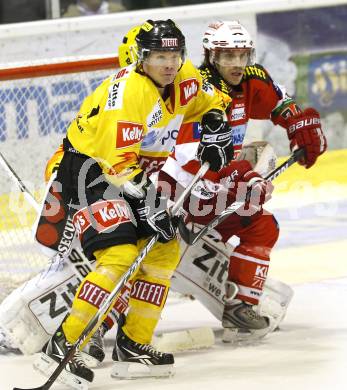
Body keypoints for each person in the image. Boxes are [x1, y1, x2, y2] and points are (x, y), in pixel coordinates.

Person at [33, 19, 233, 387]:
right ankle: (62, 345)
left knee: (165, 249)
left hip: (129, 174)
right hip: (88, 173)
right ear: (142, 59)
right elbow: (116, 163)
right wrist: (152, 204)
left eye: (174, 54)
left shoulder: (183, 78)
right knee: (119, 256)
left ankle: (133, 344)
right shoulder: (129, 93)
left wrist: (216, 127)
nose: (169, 63)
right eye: (159, 55)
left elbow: (210, 104)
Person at [158, 20, 327, 343]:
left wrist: (298, 125)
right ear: (211, 56)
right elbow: (188, 153)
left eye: (241, 55)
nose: (236, 64)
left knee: (261, 225)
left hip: (216, 186)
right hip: (179, 189)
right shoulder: (196, 89)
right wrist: (238, 173)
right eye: (227, 56)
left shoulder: (251, 79)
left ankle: (239, 308)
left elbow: (280, 103)